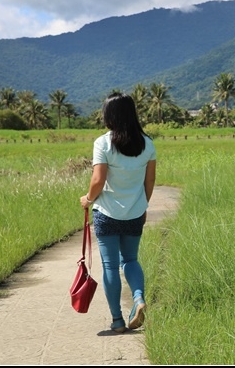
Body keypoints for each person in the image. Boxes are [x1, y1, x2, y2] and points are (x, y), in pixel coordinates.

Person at [80, 93, 156, 333]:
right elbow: (150, 181)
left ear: (109, 115)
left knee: (111, 266)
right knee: (131, 260)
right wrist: (143, 206)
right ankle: (138, 298)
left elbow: (98, 179)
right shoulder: (147, 143)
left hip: (107, 214)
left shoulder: (103, 143)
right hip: (135, 214)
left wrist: (88, 199)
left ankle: (117, 320)